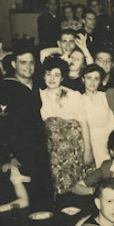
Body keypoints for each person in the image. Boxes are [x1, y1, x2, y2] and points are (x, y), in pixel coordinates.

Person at [0, 48, 53, 207]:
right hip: (20, 154)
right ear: (14, 64)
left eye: (31, 62)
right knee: (28, 198)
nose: (28, 67)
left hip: (40, 151)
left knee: (45, 195)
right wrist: (8, 155)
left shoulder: (39, 84)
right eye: (23, 63)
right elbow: (0, 126)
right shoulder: (5, 88)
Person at [39, 57, 93, 195]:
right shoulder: (39, 95)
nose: (52, 78)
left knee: (77, 186)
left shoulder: (73, 95)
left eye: (56, 75)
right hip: (53, 151)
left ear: (62, 77)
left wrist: (87, 150)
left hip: (74, 149)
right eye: (48, 74)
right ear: (43, 75)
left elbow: (83, 123)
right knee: (58, 187)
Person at [79, 64, 114, 168]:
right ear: (83, 79)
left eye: (96, 79)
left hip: (105, 140)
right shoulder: (78, 99)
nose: (92, 82)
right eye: (89, 78)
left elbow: (113, 122)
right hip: (87, 141)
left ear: (100, 81)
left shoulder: (105, 96)